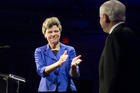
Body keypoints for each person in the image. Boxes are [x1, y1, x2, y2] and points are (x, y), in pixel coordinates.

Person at [99, 0, 140, 93]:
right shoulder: (131, 34)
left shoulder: (114, 37)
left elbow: (111, 76)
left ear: (105, 17)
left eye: (100, 17)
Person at [34, 17, 82, 92]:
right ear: (45, 34)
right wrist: (58, 63)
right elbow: (41, 71)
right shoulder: (39, 51)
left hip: (66, 89)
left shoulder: (70, 50)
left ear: (60, 32)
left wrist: (73, 67)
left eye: (56, 31)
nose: (53, 34)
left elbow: (75, 76)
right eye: (50, 32)